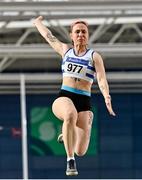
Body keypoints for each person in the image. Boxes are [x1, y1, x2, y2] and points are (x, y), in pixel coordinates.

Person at [33, 16, 116, 176]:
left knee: (81, 150)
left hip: (84, 101)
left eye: (83, 32)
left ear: (88, 35)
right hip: (64, 97)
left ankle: (69, 133)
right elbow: (48, 36)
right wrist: (37, 23)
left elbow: (101, 79)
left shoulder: (94, 56)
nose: (80, 34)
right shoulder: (65, 50)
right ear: (71, 35)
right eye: (77, 32)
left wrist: (107, 96)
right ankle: (70, 161)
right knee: (70, 114)